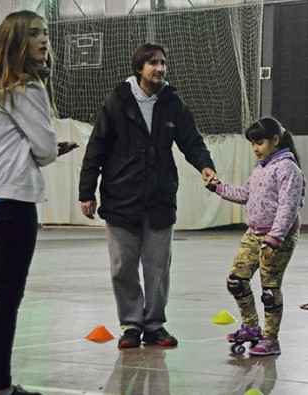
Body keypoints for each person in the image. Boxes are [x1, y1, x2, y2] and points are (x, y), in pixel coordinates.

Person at [0, 10, 77, 395]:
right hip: (9, 202)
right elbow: (43, 149)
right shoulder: (25, 88)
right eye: (33, 34)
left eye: (45, 33)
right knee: (4, 301)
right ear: (15, 42)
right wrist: (48, 150)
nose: (43, 40)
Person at [78, 43, 217, 349]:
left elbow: (191, 141)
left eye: (163, 62)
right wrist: (86, 191)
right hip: (120, 200)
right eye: (153, 63)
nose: (160, 68)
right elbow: (96, 147)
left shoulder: (172, 103)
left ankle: (154, 325)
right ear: (139, 68)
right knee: (122, 267)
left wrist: (206, 166)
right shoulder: (117, 101)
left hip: (160, 199)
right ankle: (130, 324)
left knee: (157, 268)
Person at [206, 117, 305, 356]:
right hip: (253, 234)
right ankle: (251, 327)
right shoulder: (261, 169)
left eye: (259, 143)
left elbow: (288, 208)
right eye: (252, 144)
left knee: (269, 291)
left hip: (277, 238)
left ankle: (271, 339)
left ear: (275, 140)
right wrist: (217, 187)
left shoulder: (288, 169)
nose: (255, 149)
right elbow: (244, 194)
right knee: (236, 281)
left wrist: (274, 239)